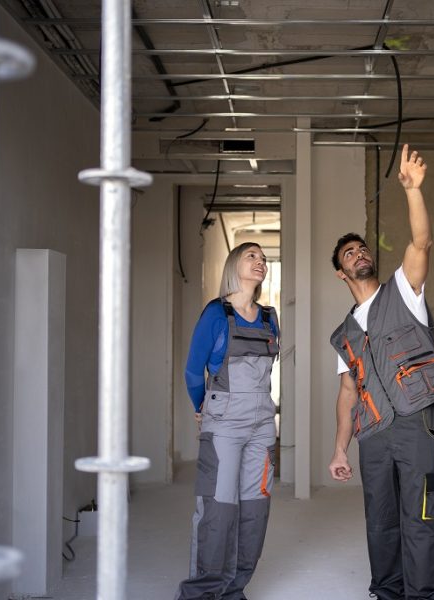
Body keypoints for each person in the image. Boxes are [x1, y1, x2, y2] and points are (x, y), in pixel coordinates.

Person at [328, 144, 434, 600]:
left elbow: (420, 242)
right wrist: (340, 449)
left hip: (413, 424)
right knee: (380, 519)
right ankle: (387, 591)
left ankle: (424, 595)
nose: (359, 253)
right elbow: (348, 392)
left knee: (421, 515)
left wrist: (413, 191)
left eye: (362, 248)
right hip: (372, 434)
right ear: (340, 272)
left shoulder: (403, 292)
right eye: (349, 253)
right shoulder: (344, 333)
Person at [174, 242, 280, 600]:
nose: (259, 262)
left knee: (255, 511)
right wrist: (202, 406)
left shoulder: (269, 318)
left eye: (263, 258)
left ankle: (234, 590)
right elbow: (193, 370)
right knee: (218, 511)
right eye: (251, 256)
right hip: (224, 423)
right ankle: (202, 594)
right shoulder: (216, 313)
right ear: (234, 264)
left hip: (263, 425)